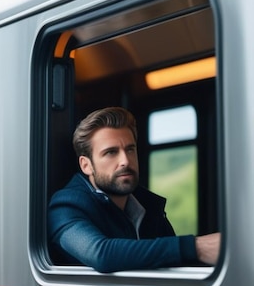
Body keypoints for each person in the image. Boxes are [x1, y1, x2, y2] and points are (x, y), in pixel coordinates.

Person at [47, 107, 220, 273]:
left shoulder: (148, 205)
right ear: (86, 165)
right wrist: (197, 247)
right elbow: (101, 254)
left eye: (130, 149)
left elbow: (174, 261)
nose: (125, 161)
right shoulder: (65, 206)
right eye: (111, 152)